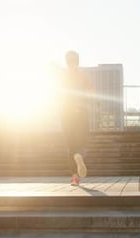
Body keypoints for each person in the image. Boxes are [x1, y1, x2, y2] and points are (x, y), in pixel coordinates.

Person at [59, 50, 93, 186]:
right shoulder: (84, 75)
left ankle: (74, 177)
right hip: (81, 111)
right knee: (83, 140)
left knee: (70, 144)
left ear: (66, 61)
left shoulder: (62, 75)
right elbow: (91, 93)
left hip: (66, 112)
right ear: (78, 61)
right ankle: (80, 155)